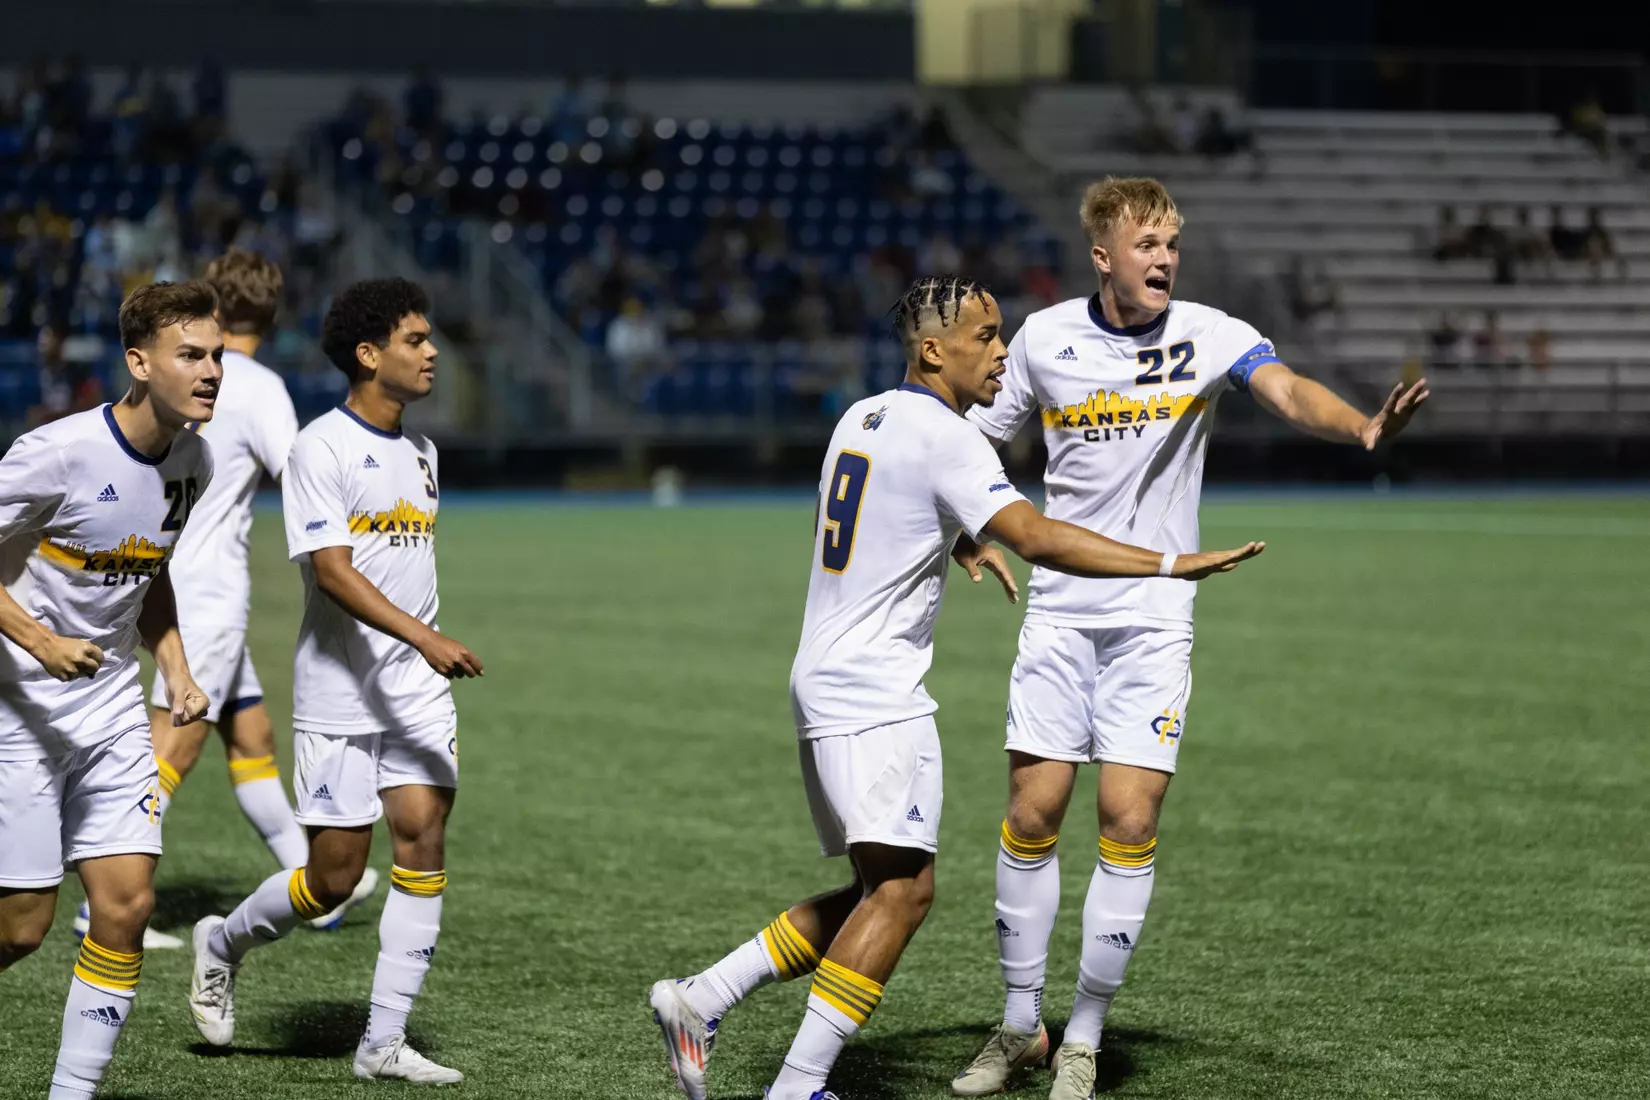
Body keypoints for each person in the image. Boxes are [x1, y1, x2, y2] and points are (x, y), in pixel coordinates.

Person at [647, 274, 1265, 1100]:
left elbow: (891, 515)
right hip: (875, 696)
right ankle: (797, 1088)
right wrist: (1167, 561)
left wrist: (958, 538)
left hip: (824, 677)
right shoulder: (950, 438)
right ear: (934, 350)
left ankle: (706, 997)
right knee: (903, 894)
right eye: (984, 336)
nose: (1002, 350)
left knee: (880, 888)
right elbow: (1039, 535)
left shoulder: (860, 417)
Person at [949, 177, 1428, 1100]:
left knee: (1128, 820)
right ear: (1103, 255)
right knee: (1030, 817)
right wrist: (965, 524)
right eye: (1147, 243)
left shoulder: (1210, 331)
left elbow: (1284, 391)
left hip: (1156, 616)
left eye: (1172, 242)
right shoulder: (1045, 339)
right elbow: (978, 440)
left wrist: (1361, 426)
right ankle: (1019, 1028)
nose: (1164, 257)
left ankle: (1082, 1037)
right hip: (1059, 609)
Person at [187, 277, 483, 1085]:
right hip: (341, 690)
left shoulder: (422, 452)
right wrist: (426, 637)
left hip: (415, 690)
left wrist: (422, 652)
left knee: (423, 837)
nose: (430, 353)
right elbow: (332, 571)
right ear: (368, 354)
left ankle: (382, 1043)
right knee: (333, 879)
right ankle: (222, 941)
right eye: (415, 340)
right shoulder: (320, 446)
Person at [0, 281, 220, 1098]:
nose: (210, 372)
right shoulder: (55, 453)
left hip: (110, 711)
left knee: (126, 908)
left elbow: (144, 573)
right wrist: (39, 639)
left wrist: (176, 669)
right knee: (23, 928)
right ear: (139, 361)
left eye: (217, 356)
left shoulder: (194, 459)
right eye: (190, 355)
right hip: (16, 710)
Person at [138, 252, 379, 925]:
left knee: (251, 738)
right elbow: (298, 471)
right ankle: (106, 905)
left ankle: (314, 894)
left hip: (160, 573)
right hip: (208, 590)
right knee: (172, 749)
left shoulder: (180, 371)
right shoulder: (259, 386)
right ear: (273, 314)